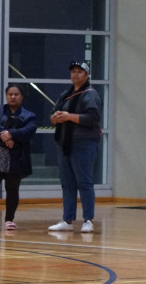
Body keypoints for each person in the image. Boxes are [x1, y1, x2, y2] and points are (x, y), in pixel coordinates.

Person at [48, 61, 102, 234]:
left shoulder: (91, 95)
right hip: (65, 143)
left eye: (80, 72)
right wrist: (55, 117)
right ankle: (67, 219)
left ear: (87, 75)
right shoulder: (66, 94)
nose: (75, 74)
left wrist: (69, 116)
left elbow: (92, 119)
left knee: (84, 182)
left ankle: (88, 220)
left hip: (84, 144)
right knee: (67, 183)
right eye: (73, 71)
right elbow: (54, 116)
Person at [0, 84, 37, 230]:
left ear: (22, 96)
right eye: (10, 94)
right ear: (6, 96)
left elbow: (28, 132)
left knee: (12, 189)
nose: (13, 97)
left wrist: (12, 134)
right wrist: (5, 136)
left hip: (16, 158)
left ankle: (9, 219)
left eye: (16, 94)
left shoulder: (29, 115)